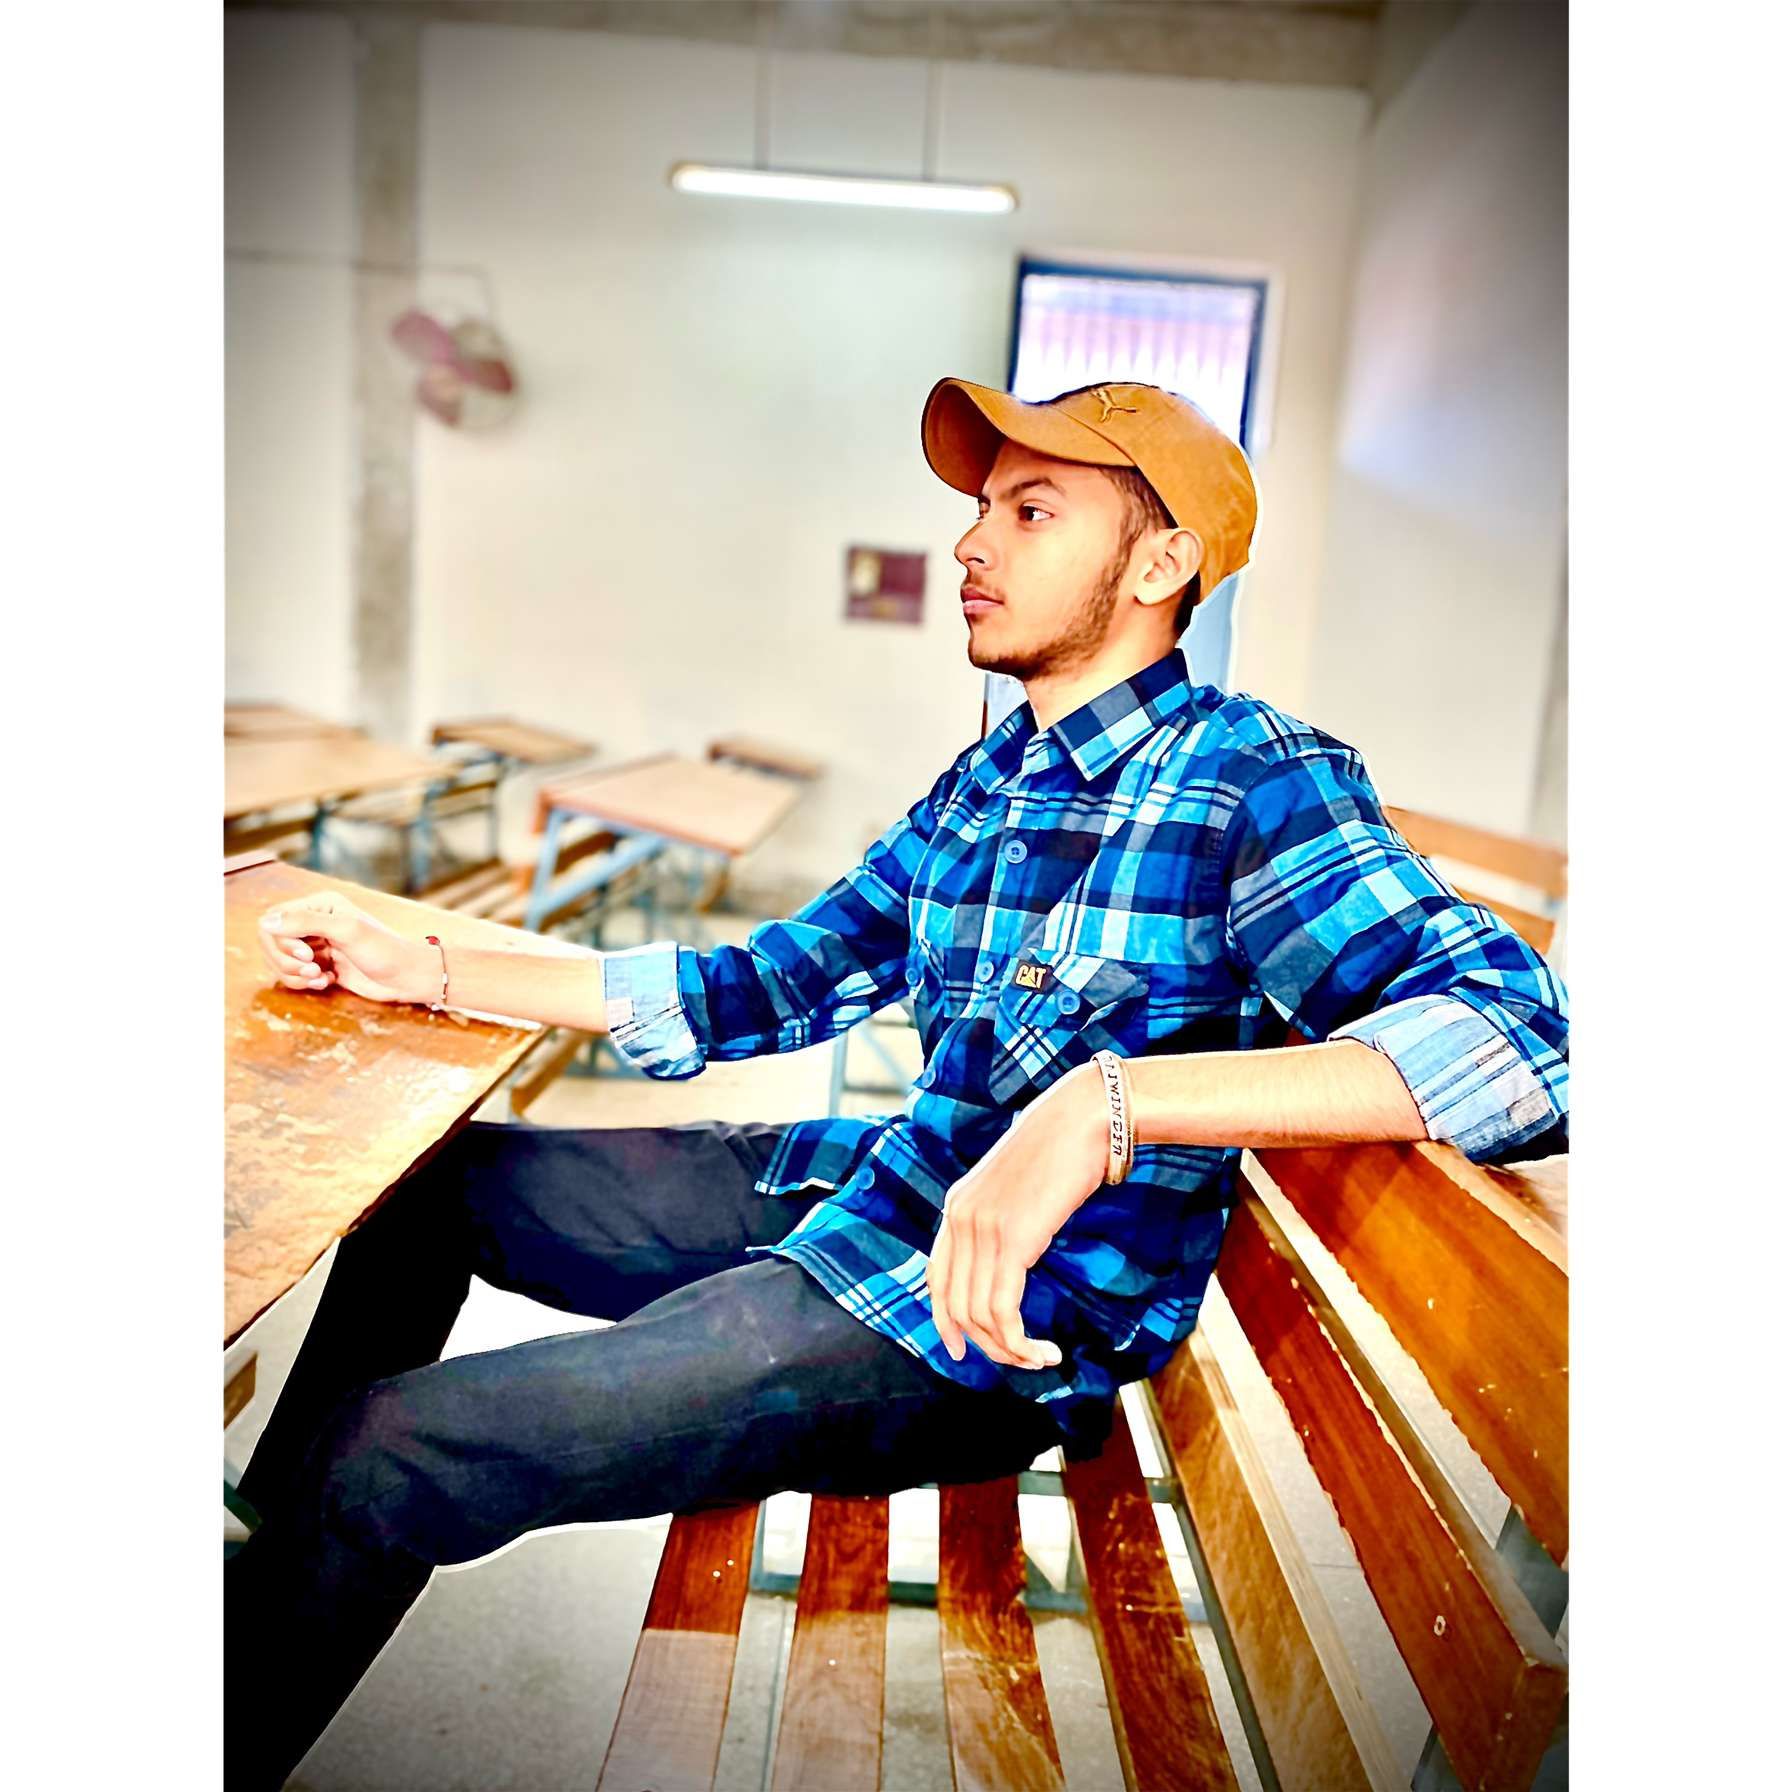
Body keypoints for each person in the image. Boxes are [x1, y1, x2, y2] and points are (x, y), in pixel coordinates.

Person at [227, 377, 1568, 1787]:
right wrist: (424, 962)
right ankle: (286, 1547)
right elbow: (767, 982)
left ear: (1161, 565)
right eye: (980, 507)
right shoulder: (989, 782)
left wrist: (1111, 1106)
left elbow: (1522, 1037)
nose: (971, 545)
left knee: (398, 1450)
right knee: (427, 1182)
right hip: (870, 1193)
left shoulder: (1251, 776)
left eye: (1031, 509)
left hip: (978, 1329)